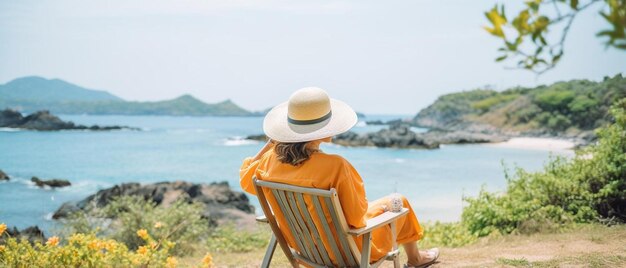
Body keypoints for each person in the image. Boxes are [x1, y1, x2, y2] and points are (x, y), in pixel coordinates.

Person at [240, 87, 439, 267]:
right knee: (398, 201)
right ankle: (416, 259)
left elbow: (247, 182)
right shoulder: (336, 166)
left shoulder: (269, 162)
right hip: (348, 254)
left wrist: (270, 144)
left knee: (383, 205)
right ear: (323, 129)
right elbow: (357, 220)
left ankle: (417, 257)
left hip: (308, 254)